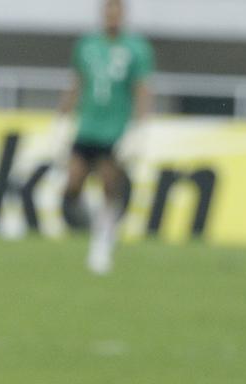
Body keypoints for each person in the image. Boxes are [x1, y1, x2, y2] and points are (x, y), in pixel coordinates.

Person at [57, 0, 154, 274]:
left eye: (117, 12)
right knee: (73, 184)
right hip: (87, 126)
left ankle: (101, 244)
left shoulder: (137, 48)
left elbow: (142, 89)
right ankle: (97, 228)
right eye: (109, 11)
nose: (112, 17)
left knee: (109, 186)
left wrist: (140, 127)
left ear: (123, 14)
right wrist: (61, 118)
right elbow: (77, 83)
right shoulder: (87, 45)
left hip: (115, 129)